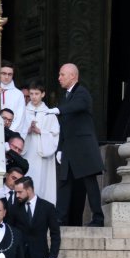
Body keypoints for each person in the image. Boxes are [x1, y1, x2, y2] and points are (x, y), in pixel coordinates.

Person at [45, 63, 105, 227]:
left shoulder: (82, 92)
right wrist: (60, 149)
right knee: (64, 184)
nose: (59, 78)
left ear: (73, 76)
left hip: (83, 148)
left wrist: (58, 110)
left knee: (90, 183)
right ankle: (60, 218)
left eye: (62, 75)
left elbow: (77, 106)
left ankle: (98, 218)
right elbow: (65, 126)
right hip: (69, 149)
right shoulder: (66, 96)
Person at [21, 81, 59, 204]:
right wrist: (27, 130)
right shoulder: (23, 112)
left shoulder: (49, 113)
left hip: (42, 154)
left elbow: (55, 134)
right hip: (27, 152)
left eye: (36, 93)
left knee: (42, 183)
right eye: (31, 94)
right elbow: (16, 130)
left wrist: (40, 131)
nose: (33, 97)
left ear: (43, 94)